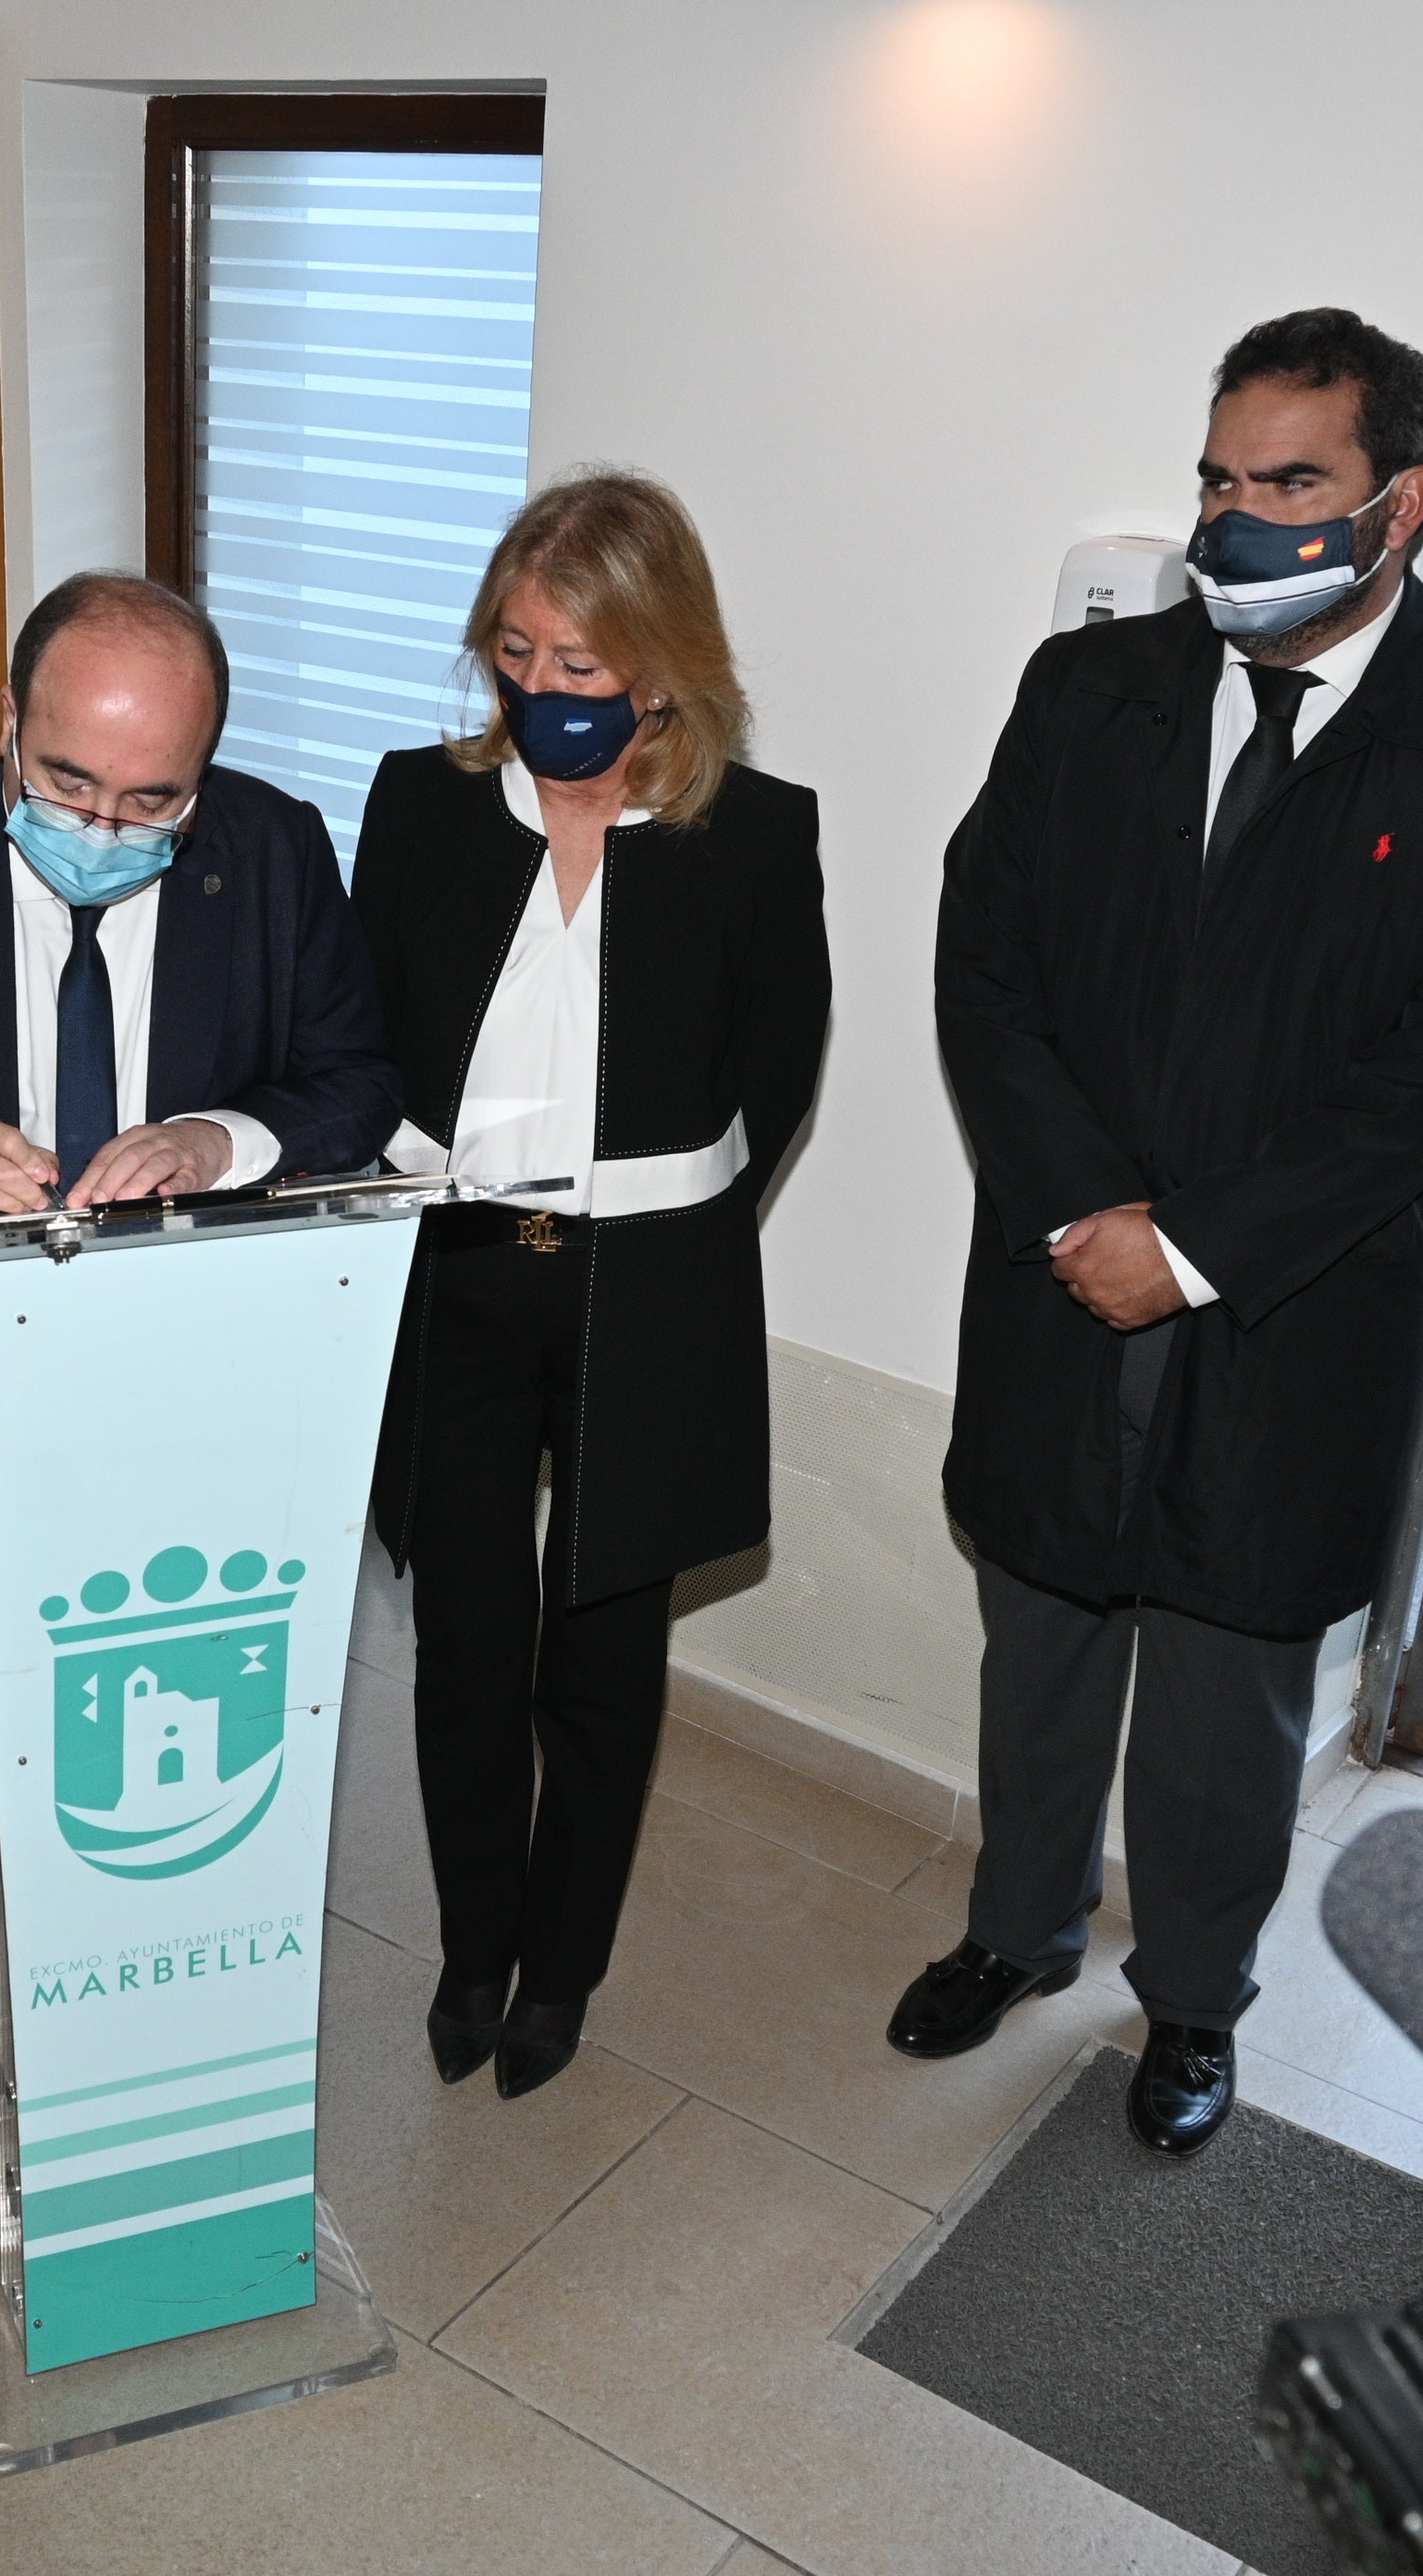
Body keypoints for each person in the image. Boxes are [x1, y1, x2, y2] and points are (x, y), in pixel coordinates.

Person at [905, 309, 1423, 2154]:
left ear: (1402, 508)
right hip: (1063, 1278)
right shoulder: (1093, 694)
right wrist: (1083, 1211)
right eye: (1220, 479)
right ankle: (1017, 1928)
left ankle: (1194, 2006)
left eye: (1291, 483)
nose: (1240, 518)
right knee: (1043, 1635)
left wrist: (1196, 1246)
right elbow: (988, 968)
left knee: (1227, 1702)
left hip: (1290, 1309)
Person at [0, 573, 403, 2129]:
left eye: (153, 797)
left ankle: (169, 1980)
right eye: (65, 783)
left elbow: (354, 1078)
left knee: (167, 1703)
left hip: (195, 1378)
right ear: (7, 729)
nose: (105, 826)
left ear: (210, 766)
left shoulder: (278, 852)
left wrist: (215, 1135)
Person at [353, 473, 832, 2100]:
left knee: (604, 1655)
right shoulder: (418, 805)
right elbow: (361, 1043)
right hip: (457, 1281)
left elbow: (777, 1073)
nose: (545, 694)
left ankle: (563, 1971)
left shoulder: (759, 835)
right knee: (463, 1641)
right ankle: (474, 1947)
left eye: (582, 665)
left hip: (646, 1295)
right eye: (517, 654)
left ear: (666, 663)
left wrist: (666, 1228)